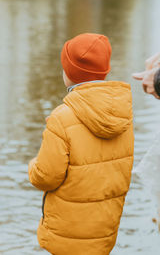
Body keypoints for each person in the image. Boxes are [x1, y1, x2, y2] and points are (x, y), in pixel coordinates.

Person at [28, 33, 134, 255]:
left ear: (68, 74)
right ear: (104, 70)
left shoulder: (61, 118)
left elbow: (46, 177)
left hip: (68, 236)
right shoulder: (124, 117)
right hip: (104, 232)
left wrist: (33, 165)